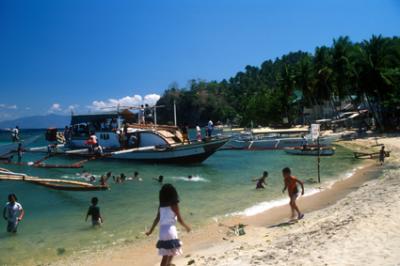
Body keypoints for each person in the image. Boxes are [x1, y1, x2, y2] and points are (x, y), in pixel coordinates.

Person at [146, 184, 191, 266]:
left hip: (162, 231)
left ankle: (169, 264)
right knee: (169, 253)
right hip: (170, 230)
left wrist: (150, 231)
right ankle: (167, 264)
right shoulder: (174, 205)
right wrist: (186, 227)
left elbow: (156, 219)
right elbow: (180, 220)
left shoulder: (161, 206)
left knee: (169, 252)